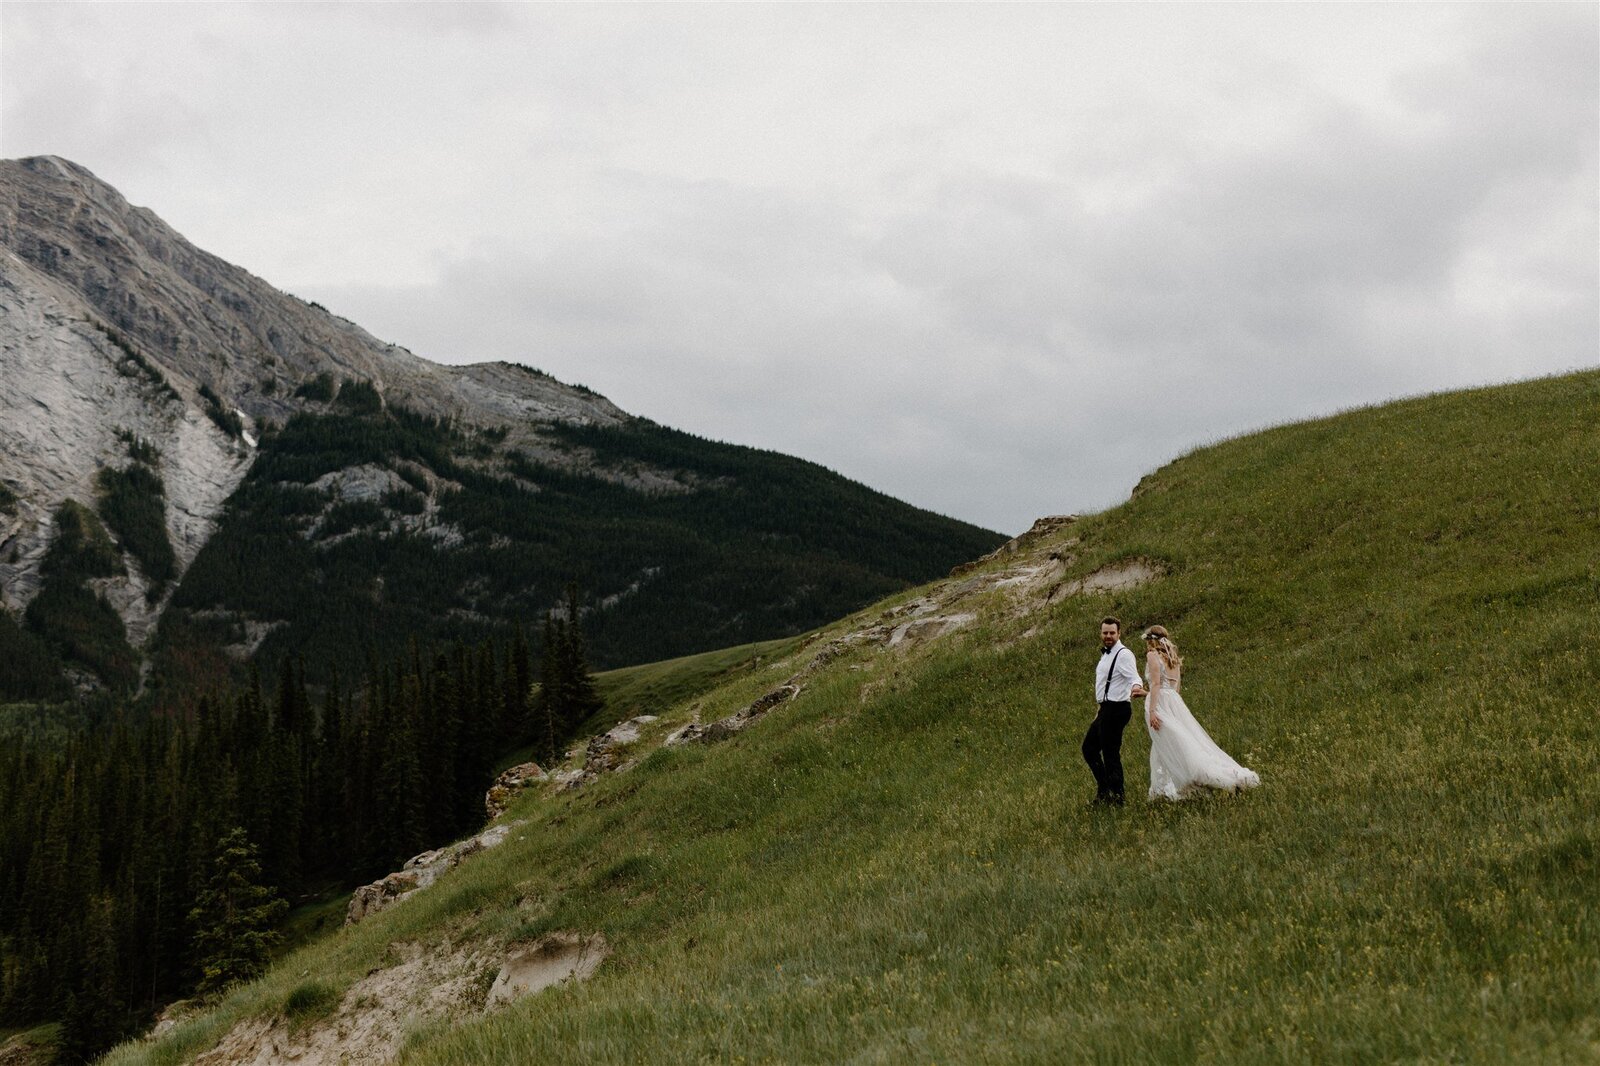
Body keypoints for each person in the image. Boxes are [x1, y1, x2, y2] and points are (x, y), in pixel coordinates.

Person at [1140, 625, 1260, 800]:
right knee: (1168, 743)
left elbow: (1157, 684)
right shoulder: (1173, 658)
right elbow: (1174, 689)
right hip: (1175, 703)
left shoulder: (1152, 655)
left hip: (1161, 705)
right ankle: (1160, 789)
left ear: (1150, 641)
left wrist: (1152, 710)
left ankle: (1206, 778)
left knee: (1174, 744)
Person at [1083, 616, 1145, 806]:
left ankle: (1117, 798)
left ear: (1119, 633)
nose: (1108, 636)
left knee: (1110, 754)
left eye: (1112, 633)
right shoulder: (1106, 654)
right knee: (1089, 749)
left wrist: (1136, 687)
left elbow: (1134, 676)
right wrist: (1099, 709)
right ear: (1100, 634)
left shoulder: (1124, 654)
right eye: (1105, 633)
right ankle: (1105, 790)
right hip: (1105, 709)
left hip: (1117, 709)